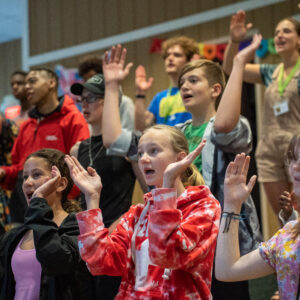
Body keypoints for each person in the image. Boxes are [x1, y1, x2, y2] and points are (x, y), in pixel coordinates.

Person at [101, 41, 262, 299]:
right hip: (181, 234)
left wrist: (238, 64)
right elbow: (114, 139)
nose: (184, 86)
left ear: (215, 89)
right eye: (182, 83)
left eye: (194, 80)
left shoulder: (227, 126)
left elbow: (221, 125)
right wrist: (111, 85)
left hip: (223, 237)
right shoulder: (176, 135)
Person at [68, 123, 220, 300]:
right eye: (140, 153)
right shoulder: (137, 214)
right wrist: (92, 198)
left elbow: (168, 255)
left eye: (153, 151)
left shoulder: (204, 207)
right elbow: (99, 262)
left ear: (180, 159)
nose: (144, 159)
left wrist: (168, 186)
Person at [70, 73, 147, 300]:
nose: (84, 104)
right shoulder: (77, 149)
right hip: (86, 238)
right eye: (82, 99)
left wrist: (123, 222)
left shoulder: (125, 145)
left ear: (113, 102)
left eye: (92, 98)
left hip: (116, 237)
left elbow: (150, 191)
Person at [222, 10, 300, 216]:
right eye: (276, 32)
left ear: (299, 39)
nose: (280, 36)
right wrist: (234, 41)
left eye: (287, 31)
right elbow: (230, 67)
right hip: (269, 152)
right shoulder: (270, 72)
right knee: (285, 217)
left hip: (297, 150)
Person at [215, 133, 300, 300]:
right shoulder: (289, 234)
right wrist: (232, 205)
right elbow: (227, 270)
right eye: (294, 157)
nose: (295, 166)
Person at [0, 148, 93, 300]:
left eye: (36, 175)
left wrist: (38, 202)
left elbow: (56, 261)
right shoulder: (13, 237)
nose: (28, 182)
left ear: (61, 184)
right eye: (25, 177)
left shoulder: (77, 226)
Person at [0, 67, 90, 223]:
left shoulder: (72, 119)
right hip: (24, 208)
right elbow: (18, 169)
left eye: (32, 81)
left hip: (59, 210)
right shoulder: (27, 125)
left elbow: (80, 168)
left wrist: (60, 202)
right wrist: (3, 173)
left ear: (51, 83)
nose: (27, 86)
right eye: (26, 83)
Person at [135, 36, 199, 130]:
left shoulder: (197, 91)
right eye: (167, 55)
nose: (170, 58)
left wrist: (195, 69)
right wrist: (140, 94)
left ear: (190, 61)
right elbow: (140, 128)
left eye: (177, 55)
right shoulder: (159, 97)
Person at [78, 54, 135, 131]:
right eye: (85, 79)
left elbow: (130, 135)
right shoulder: (86, 109)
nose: (88, 82)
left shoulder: (125, 104)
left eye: (92, 77)